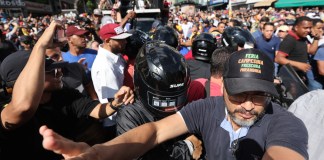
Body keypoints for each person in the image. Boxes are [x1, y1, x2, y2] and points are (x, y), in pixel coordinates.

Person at [40, 48, 308, 160]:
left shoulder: (287, 123)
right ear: (223, 85)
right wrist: (98, 153)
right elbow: (155, 131)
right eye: (239, 94)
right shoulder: (208, 108)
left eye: (259, 96)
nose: (248, 105)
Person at [0, 21, 134, 160]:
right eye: (51, 71)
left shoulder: (65, 95)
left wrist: (115, 103)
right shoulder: (6, 109)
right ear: (25, 78)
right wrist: (40, 45)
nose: (59, 73)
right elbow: (24, 108)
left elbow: (97, 110)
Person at [116, 41, 202, 160]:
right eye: (162, 99)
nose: (172, 105)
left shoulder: (186, 102)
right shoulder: (129, 114)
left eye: (176, 98)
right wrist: (187, 147)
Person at [275, 16, 315, 82]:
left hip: (298, 76)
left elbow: (311, 51)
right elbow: (278, 59)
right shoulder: (289, 40)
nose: (308, 30)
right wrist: (299, 65)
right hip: (289, 78)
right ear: (296, 28)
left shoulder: (303, 38)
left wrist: (316, 38)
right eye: (305, 28)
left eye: (310, 28)